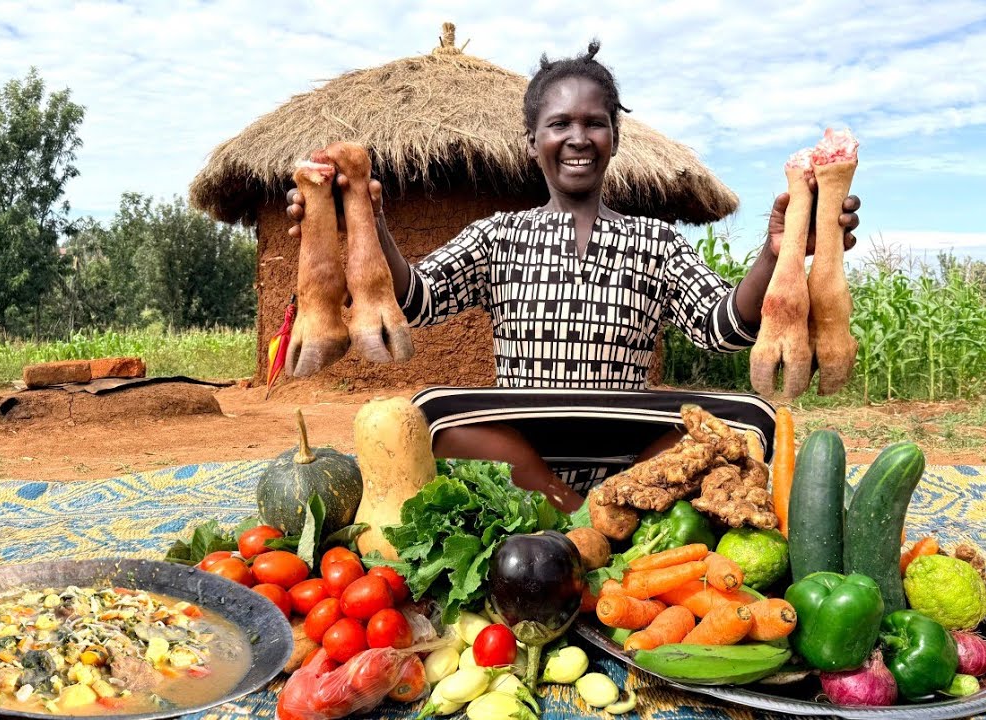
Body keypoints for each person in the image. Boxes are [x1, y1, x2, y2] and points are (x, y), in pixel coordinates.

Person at [288, 42, 860, 512]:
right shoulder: (499, 236)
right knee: (428, 415)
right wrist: (369, 219)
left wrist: (775, 251)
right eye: (559, 123)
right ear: (532, 142)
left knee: (753, 422)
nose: (578, 137)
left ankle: (618, 499)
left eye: (595, 123)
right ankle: (567, 503)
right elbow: (415, 300)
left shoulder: (654, 240)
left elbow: (724, 330)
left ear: (615, 138)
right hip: (516, 453)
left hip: (638, 455)